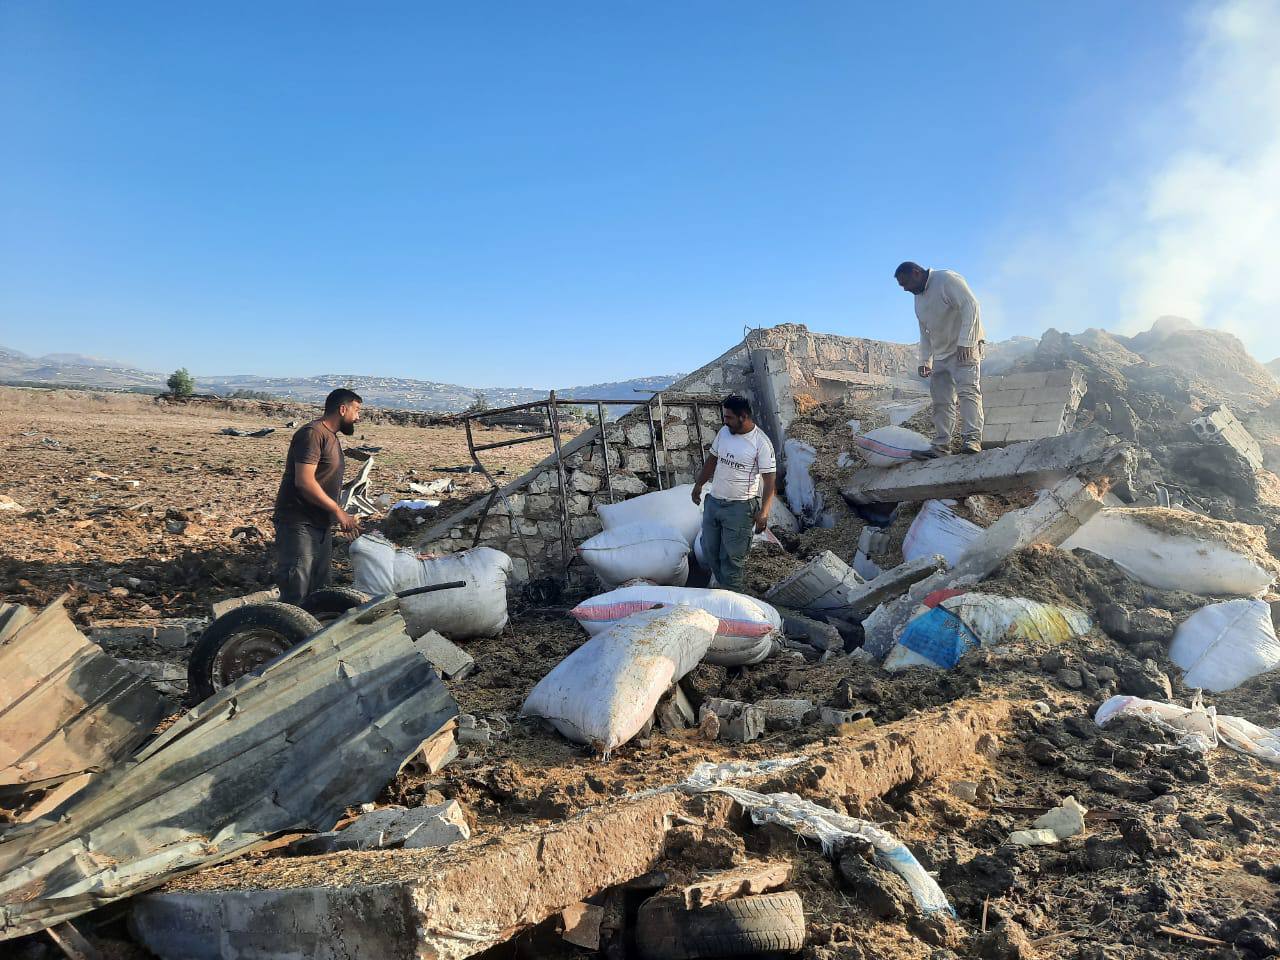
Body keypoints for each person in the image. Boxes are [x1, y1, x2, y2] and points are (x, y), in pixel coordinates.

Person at [272, 388, 363, 604]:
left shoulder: (331, 437)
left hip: (320, 525)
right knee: (297, 592)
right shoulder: (312, 434)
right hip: (299, 524)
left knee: (319, 593)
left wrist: (336, 516)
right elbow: (304, 481)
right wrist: (337, 510)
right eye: (356, 410)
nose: (358, 417)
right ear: (342, 409)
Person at [894, 261, 986, 459]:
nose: (905, 289)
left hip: (964, 349)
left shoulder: (946, 279)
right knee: (941, 402)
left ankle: (972, 439)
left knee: (968, 392)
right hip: (941, 355)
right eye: (902, 286)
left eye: (906, 283)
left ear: (917, 273)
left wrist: (967, 341)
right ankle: (941, 446)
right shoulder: (918, 298)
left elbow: (971, 306)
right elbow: (925, 331)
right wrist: (925, 360)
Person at [691, 395, 777, 592]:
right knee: (709, 550)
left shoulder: (761, 443)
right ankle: (722, 590)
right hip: (714, 503)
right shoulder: (724, 432)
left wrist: (764, 512)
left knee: (732, 559)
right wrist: (699, 485)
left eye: (729, 417)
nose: (725, 421)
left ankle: (733, 599)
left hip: (740, 508)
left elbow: (770, 481)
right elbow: (712, 460)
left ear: (743, 416)